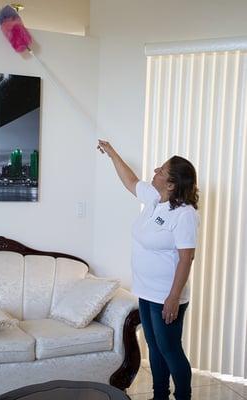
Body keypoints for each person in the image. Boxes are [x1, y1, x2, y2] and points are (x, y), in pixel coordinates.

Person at [97, 139, 199, 400]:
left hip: (167, 295)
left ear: (172, 184)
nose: (155, 171)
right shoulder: (156, 199)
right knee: (154, 346)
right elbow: (130, 181)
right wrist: (112, 153)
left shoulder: (185, 215)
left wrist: (173, 298)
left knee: (170, 349)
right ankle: (160, 395)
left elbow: (187, 258)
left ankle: (184, 396)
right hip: (146, 291)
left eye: (161, 171)